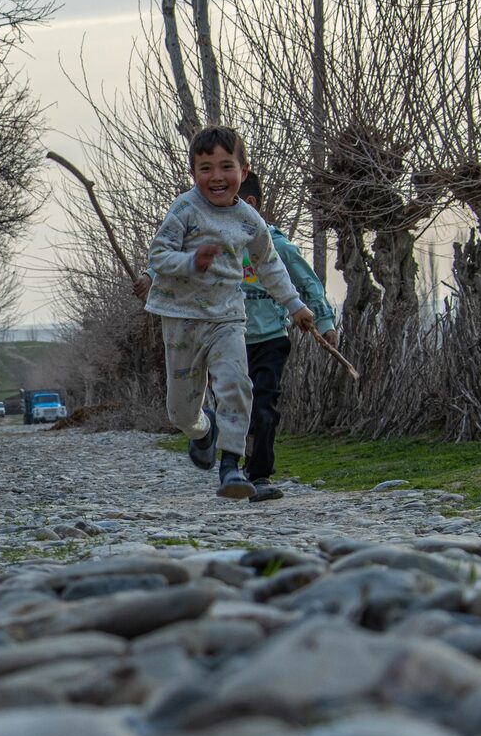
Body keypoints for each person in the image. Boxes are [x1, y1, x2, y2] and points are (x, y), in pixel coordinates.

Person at [141, 125, 315, 498]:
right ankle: (203, 433)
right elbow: (157, 255)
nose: (216, 177)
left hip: (227, 317)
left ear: (244, 170)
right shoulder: (185, 208)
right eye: (206, 169)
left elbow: (270, 266)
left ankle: (231, 468)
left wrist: (296, 305)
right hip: (181, 317)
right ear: (193, 173)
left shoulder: (250, 221)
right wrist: (191, 261)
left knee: (237, 385)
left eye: (225, 167)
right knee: (181, 412)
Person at [234, 172, 338, 501]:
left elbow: (308, 284)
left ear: (248, 204)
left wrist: (323, 321)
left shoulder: (278, 246)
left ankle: (259, 473)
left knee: (264, 406)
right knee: (233, 406)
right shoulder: (217, 246)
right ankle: (227, 459)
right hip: (227, 339)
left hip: (269, 340)